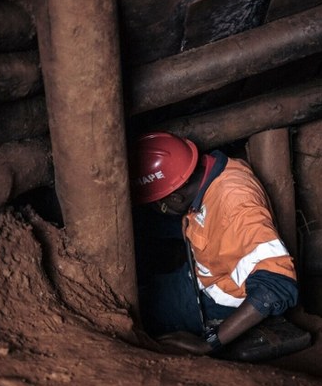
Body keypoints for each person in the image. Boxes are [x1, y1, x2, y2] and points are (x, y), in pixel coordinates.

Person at [129, 131, 300, 356]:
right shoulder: (214, 169)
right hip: (198, 276)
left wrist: (209, 343)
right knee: (143, 288)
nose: (157, 209)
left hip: (219, 302)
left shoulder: (236, 206)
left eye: (158, 205)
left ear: (176, 198)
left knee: (135, 317)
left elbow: (277, 285)